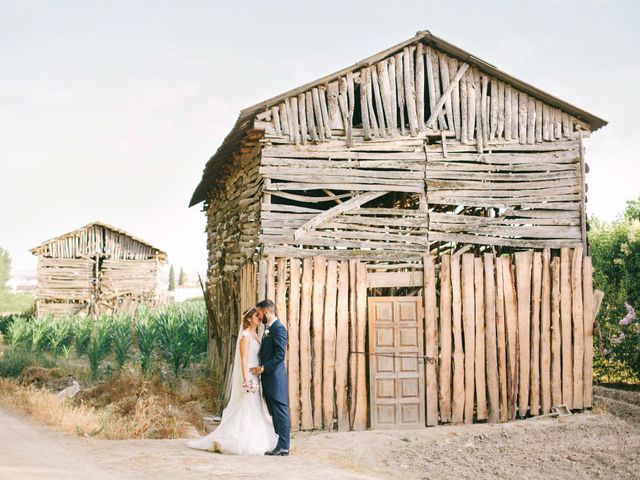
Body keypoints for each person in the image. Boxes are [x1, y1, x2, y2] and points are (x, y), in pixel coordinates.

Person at [187, 306, 278, 455]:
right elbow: (243, 359)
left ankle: (256, 437)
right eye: (256, 316)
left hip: (256, 375)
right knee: (246, 406)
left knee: (256, 407)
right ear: (249, 319)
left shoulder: (255, 335)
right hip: (248, 375)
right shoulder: (245, 337)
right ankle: (238, 440)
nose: (259, 318)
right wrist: (246, 379)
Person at [250, 299, 290, 456]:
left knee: (280, 412)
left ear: (267, 311)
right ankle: (279, 444)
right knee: (274, 413)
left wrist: (263, 368)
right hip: (268, 379)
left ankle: (284, 446)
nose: (259, 317)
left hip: (275, 379)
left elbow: (280, 355)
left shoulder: (279, 329)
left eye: (260, 313)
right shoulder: (268, 329)